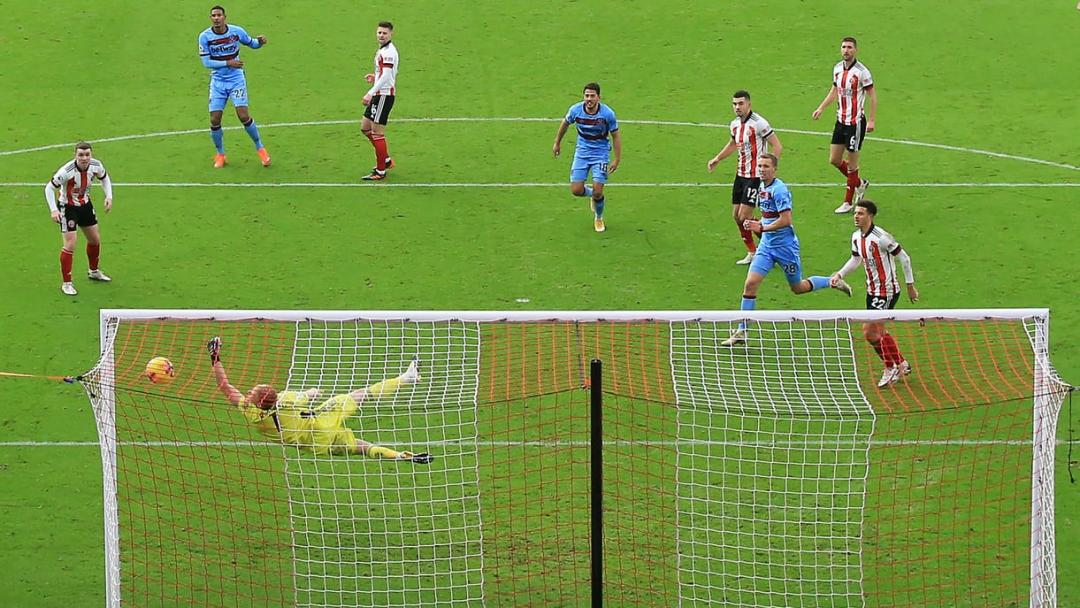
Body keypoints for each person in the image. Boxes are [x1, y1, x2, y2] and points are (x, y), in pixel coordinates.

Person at [207, 337, 433, 462]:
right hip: (320, 419)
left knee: (362, 448)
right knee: (360, 395)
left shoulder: (251, 413)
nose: (248, 393)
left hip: (316, 443)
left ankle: (401, 456)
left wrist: (215, 356)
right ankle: (405, 379)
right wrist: (312, 391)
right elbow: (309, 395)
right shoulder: (287, 400)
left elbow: (225, 386)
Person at [722, 154, 852, 346]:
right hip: (767, 246)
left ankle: (832, 281)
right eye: (760, 166)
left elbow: (786, 220)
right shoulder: (759, 186)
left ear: (774, 169)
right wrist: (756, 222)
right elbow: (764, 214)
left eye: (766, 166)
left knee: (798, 288)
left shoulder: (779, 190)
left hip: (785, 248)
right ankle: (742, 330)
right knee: (750, 284)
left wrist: (762, 227)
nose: (762, 169)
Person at [829, 200, 920, 387]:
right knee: (877, 331)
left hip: (887, 291)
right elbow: (855, 259)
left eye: (861, 213)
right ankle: (901, 363)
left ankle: (891, 367)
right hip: (872, 291)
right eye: (855, 213)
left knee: (870, 331)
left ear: (870, 216)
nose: (856, 216)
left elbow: (904, 258)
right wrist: (840, 273)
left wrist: (910, 286)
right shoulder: (856, 237)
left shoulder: (882, 238)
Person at [707, 90, 783, 265]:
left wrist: (770, 169)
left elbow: (777, 145)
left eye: (740, 103)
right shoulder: (734, 124)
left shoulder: (759, 123)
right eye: (734, 104)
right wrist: (717, 158)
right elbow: (733, 143)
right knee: (736, 216)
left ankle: (775, 247)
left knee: (744, 216)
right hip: (740, 175)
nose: (737, 107)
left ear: (749, 104)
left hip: (755, 177)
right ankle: (753, 251)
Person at [198, 5, 270, 168]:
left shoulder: (236, 32)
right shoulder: (204, 37)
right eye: (213, 16)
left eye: (219, 15)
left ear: (225, 17)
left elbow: (251, 43)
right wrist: (228, 62)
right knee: (214, 119)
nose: (216, 18)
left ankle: (261, 149)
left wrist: (260, 42)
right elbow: (206, 62)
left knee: (243, 115)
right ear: (211, 18)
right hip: (218, 82)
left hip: (236, 79)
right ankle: (220, 154)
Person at [811, 36, 877, 214]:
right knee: (834, 159)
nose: (846, 50)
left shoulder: (862, 72)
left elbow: (873, 96)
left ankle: (848, 202)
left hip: (855, 122)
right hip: (840, 120)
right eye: (843, 47)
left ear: (855, 50)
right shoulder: (837, 69)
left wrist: (871, 120)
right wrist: (821, 108)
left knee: (852, 164)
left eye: (849, 47)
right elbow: (834, 90)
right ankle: (859, 183)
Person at [45, 141, 113, 296]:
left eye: (87, 154)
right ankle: (67, 283)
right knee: (70, 243)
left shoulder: (96, 165)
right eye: (81, 155)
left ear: (91, 155)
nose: (84, 158)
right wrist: (54, 210)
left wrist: (109, 196)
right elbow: (49, 188)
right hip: (67, 207)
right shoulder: (66, 171)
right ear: (75, 156)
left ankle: (94, 271)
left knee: (95, 239)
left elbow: (105, 178)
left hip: (85, 205)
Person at [552, 82, 622, 233]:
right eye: (586, 96)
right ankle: (595, 196)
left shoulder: (607, 114)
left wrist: (616, 159)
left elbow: (615, 136)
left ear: (599, 97)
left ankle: (598, 217)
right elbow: (564, 124)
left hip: (601, 153)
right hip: (582, 151)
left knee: (598, 191)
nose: (589, 99)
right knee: (576, 190)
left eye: (592, 96)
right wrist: (557, 143)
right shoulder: (575, 110)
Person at [360, 21, 399, 181]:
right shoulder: (383, 50)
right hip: (379, 93)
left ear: (391, 34)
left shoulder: (389, 52)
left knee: (377, 133)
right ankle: (386, 159)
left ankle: (380, 170)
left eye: (384, 33)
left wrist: (370, 92)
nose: (381, 35)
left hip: (383, 96)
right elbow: (384, 74)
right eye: (379, 32)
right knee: (365, 128)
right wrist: (375, 77)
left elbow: (387, 76)